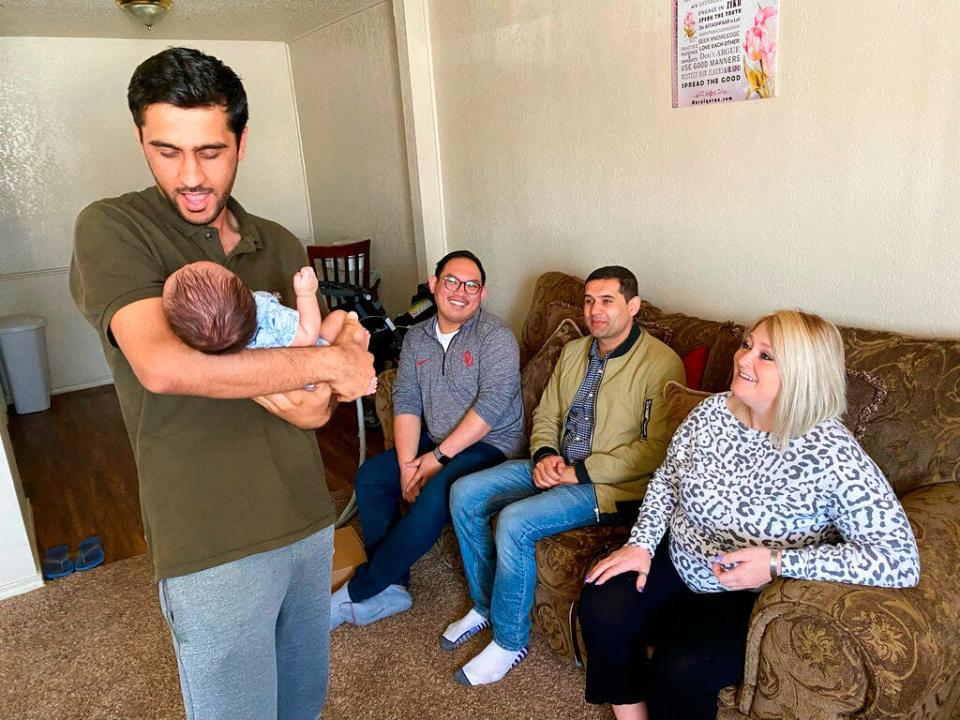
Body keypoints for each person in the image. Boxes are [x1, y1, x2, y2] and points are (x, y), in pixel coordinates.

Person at [69, 47, 375, 720]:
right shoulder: (115, 228)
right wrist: (327, 363)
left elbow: (312, 414)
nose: (191, 177)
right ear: (140, 140)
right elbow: (165, 367)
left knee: (303, 704)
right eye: (166, 151)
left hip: (304, 518)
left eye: (211, 151)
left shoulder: (280, 243)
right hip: (209, 540)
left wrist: (327, 365)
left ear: (241, 139)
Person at [578, 310, 921, 720]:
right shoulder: (710, 415)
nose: (743, 360)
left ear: (802, 374)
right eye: (747, 345)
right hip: (681, 555)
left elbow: (900, 559)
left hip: (747, 592)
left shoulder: (831, 453)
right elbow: (668, 478)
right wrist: (642, 544)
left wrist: (778, 561)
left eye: (766, 356)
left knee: (681, 670)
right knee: (600, 601)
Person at [443, 266, 686, 686]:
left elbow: (654, 450)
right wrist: (544, 454)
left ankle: (509, 641)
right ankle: (484, 606)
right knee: (465, 491)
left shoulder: (660, 364)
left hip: (608, 486)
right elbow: (548, 414)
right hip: (559, 465)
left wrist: (578, 472)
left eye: (607, 301)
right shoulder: (575, 351)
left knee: (516, 522)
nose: (595, 310)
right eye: (589, 301)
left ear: (633, 305)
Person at [330, 250, 526, 629]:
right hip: (437, 439)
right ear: (434, 285)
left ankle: (362, 589)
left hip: (491, 448)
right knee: (372, 477)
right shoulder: (417, 337)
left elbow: (492, 408)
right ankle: (394, 586)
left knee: (438, 492)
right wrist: (406, 467)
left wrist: (436, 459)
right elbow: (405, 399)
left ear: (482, 294)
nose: (461, 291)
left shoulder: (496, 337)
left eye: (472, 285)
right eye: (452, 281)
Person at [162, 261, 347, 352]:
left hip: (288, 383)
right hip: (314, 361)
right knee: (341, 317)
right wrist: (306, 293)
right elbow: (308, 335)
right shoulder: (269, 318)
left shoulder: (220, 345)